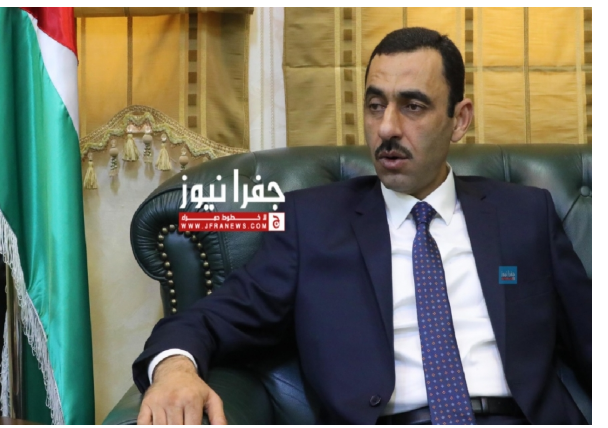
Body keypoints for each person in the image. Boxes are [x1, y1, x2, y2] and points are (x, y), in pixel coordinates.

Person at [133, 27, 591, 425]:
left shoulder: (524, 214)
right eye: (375, 105)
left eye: (413, 106)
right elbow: (209, 318)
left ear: (459, 119)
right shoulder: (312, 225)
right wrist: (175, 370)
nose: (387, 127)